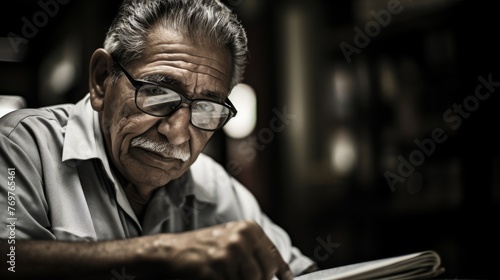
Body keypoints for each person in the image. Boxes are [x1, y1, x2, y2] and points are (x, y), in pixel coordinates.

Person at [0, 0, 318, 279]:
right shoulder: (22, 145)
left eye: (206, 108)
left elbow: (298, 270)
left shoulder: (211, 184)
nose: (177, 133)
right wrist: (161, 253)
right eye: (156, 93)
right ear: (100, 80)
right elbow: (9, 259)